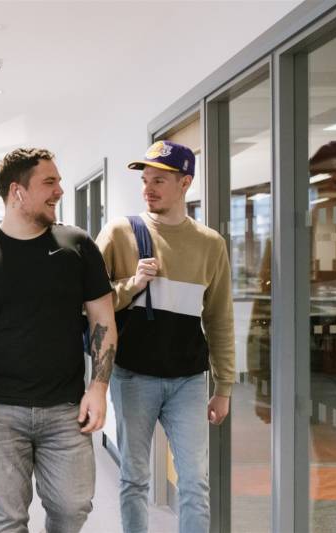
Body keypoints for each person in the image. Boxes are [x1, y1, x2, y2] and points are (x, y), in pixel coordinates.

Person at [0, 147, 117, 533]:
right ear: (18, 191)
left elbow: (103, 319)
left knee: (73, 507)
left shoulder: (77, 246)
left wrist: (98, 388)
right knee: (8, 519)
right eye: (50, 182)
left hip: (65, 409)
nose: (59, 190)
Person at [96, 140, 235, 533]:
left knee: (194, 482)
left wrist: (223, 386)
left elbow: (220, 318)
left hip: (188, 380)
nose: (148, 188)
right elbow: (87, 301)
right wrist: (132, 284)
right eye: (145, 180)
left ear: (185, 183)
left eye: (159, 180)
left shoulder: (210, 244)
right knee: (134, 478)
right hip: (133, 376)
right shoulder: (120, 232)